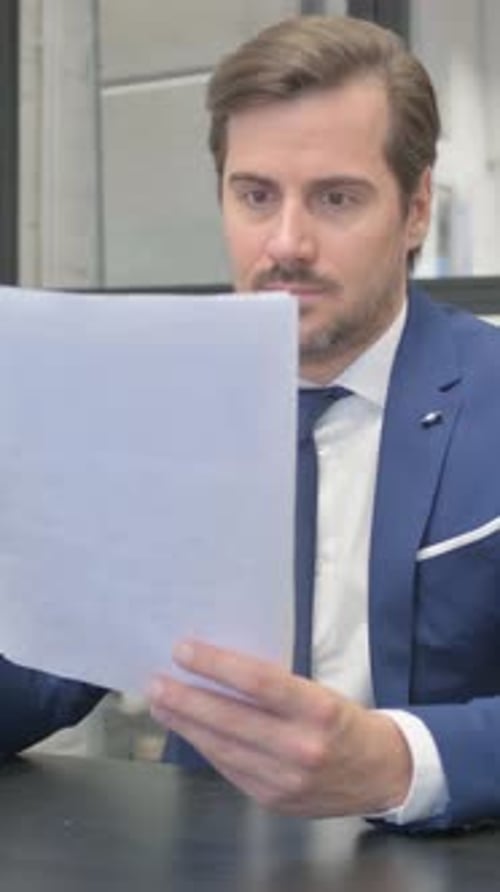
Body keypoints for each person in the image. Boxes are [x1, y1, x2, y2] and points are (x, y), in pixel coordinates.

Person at [2, 15, 500, 833]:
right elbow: (38, 678)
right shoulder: (149, 410)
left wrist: (397, 760)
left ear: (415, 212)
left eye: (336, 198)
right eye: (255, 195)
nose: (287, 242)